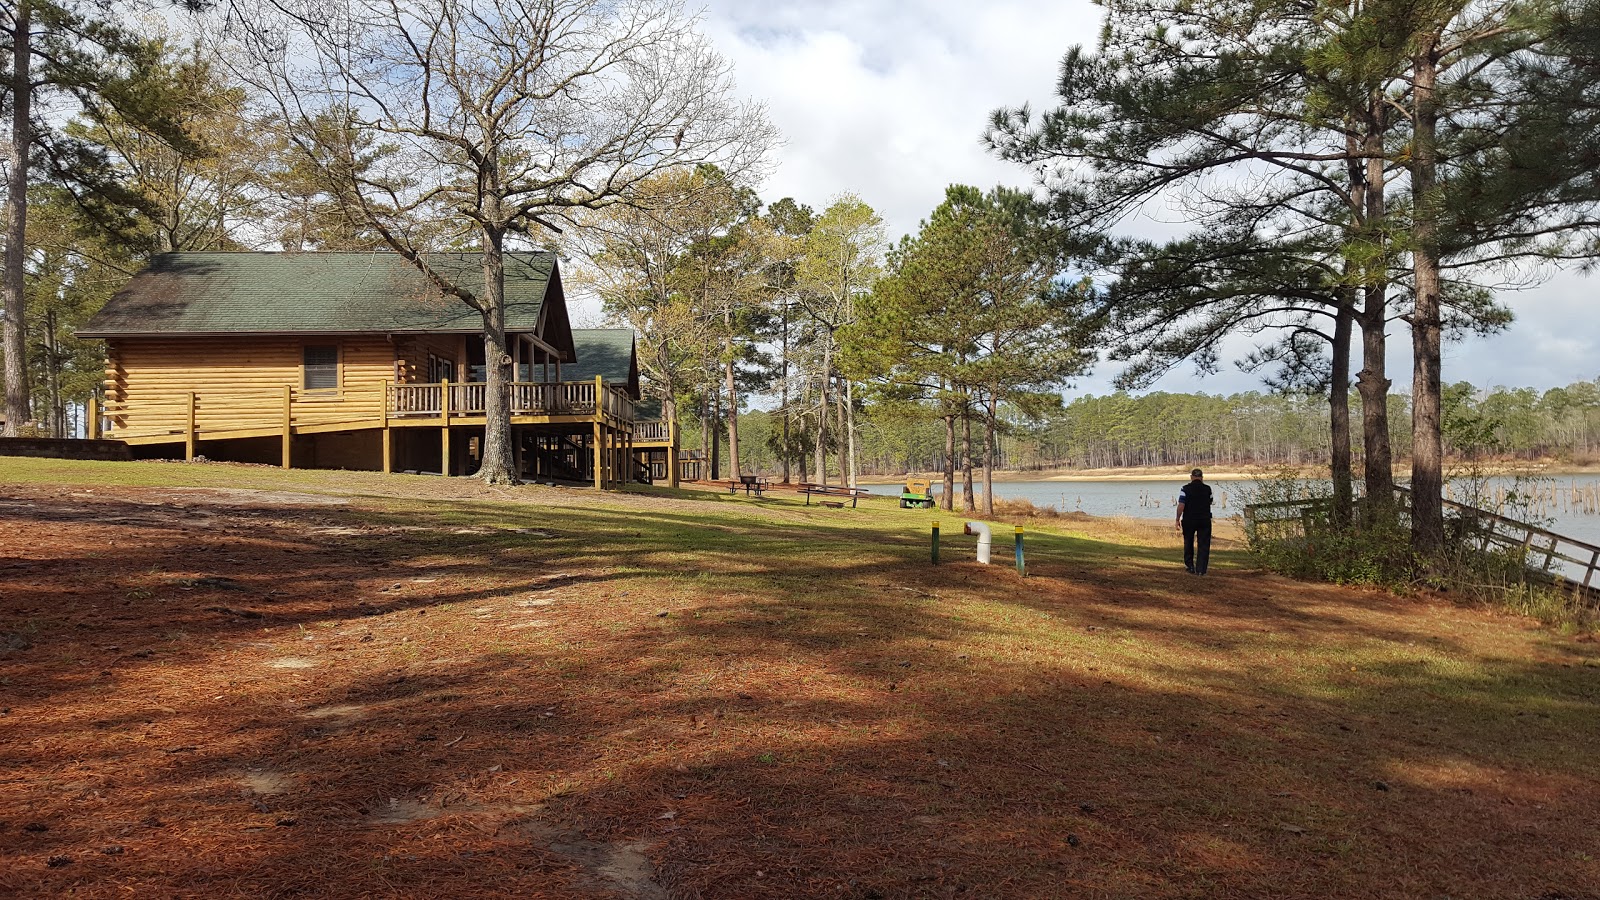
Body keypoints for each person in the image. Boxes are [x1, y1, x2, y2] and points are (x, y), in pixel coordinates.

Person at [1175, 468, 1213, 575]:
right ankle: (1201, 569)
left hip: (1189, 519)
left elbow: (1181, 505)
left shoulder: (1185, 489)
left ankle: (1190, 566)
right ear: (1202, 478)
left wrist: (1177, 519)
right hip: (1204, 520)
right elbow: (1210, 501)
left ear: (1191, 477)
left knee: (1188, 542)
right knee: (1204, 544)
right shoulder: (1207, 489)